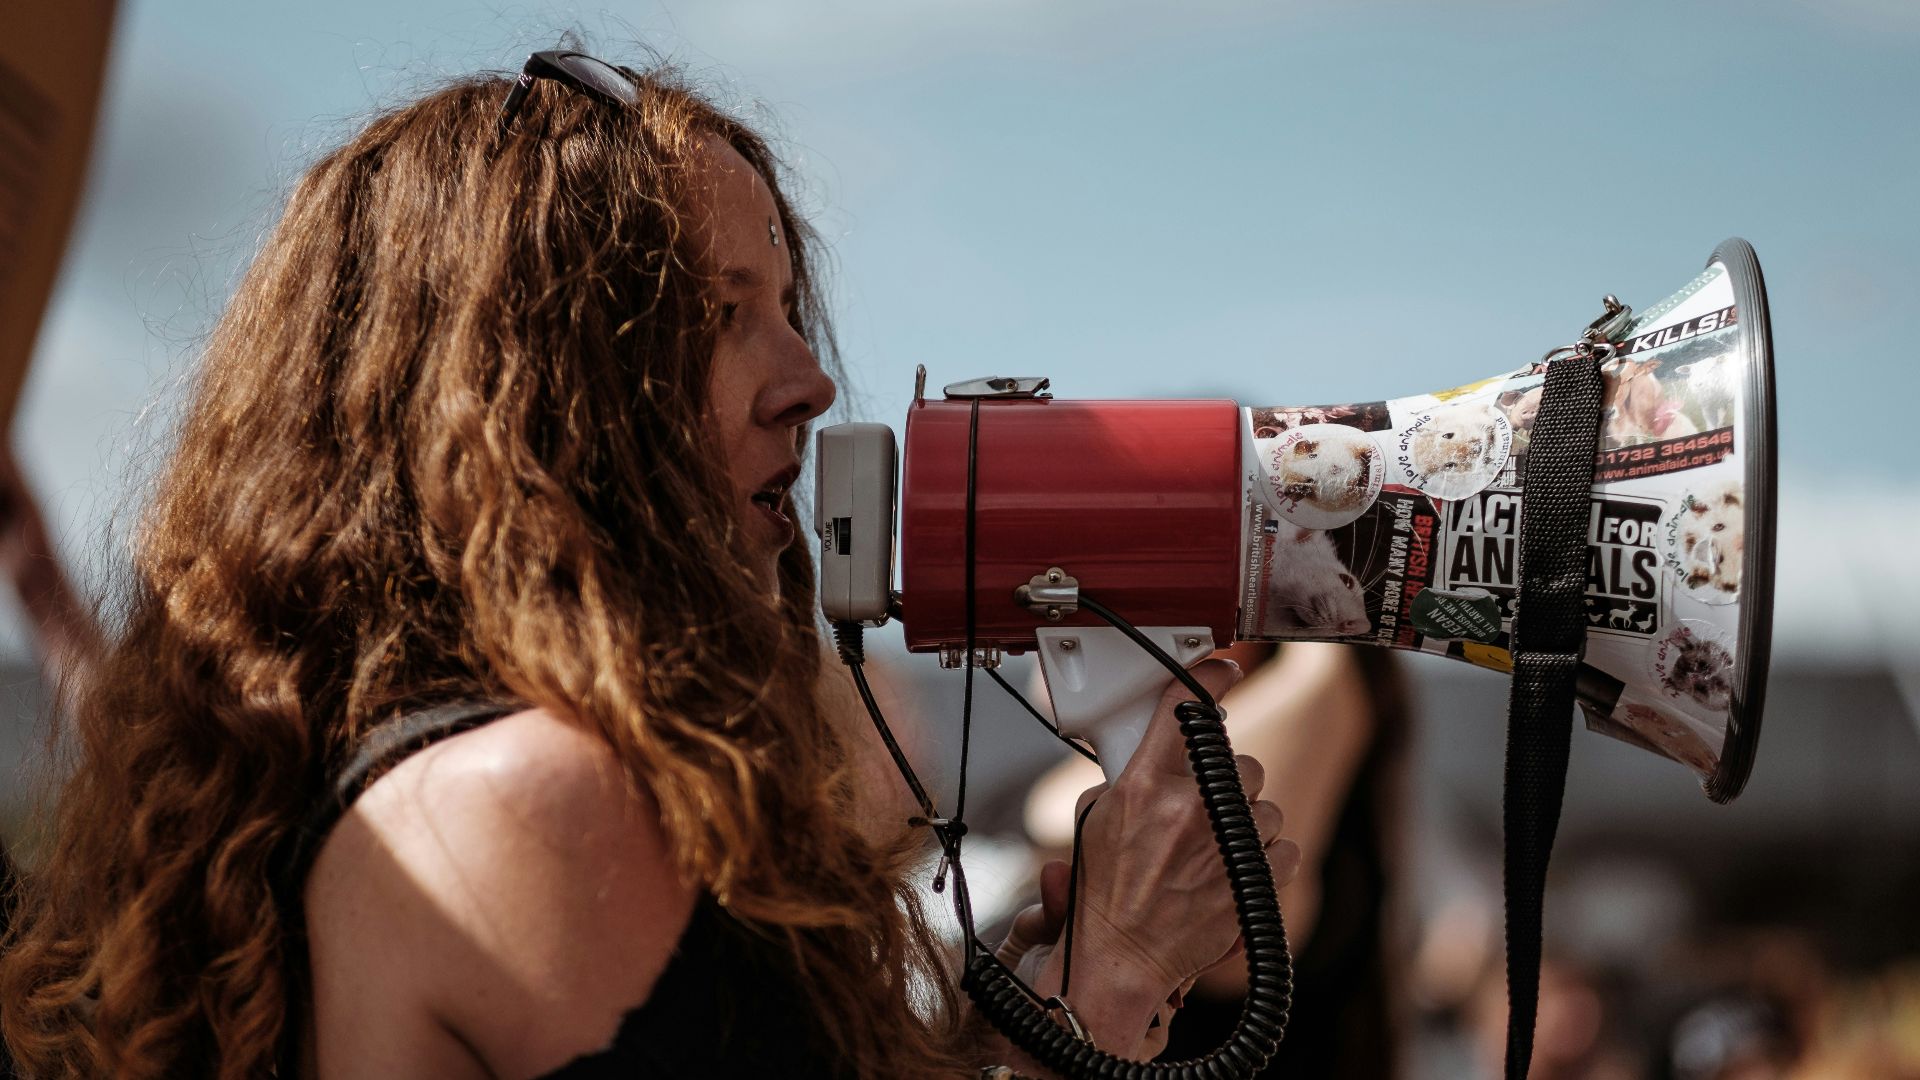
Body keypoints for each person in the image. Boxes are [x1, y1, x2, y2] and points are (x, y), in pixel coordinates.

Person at [0, 51, 1300, 1079]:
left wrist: (1021, 1024)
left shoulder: (417, 775)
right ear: (526, 397)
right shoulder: (533, 804)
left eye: (788, 308)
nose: (808, 380)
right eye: (718, 314)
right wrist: (1116, 978)